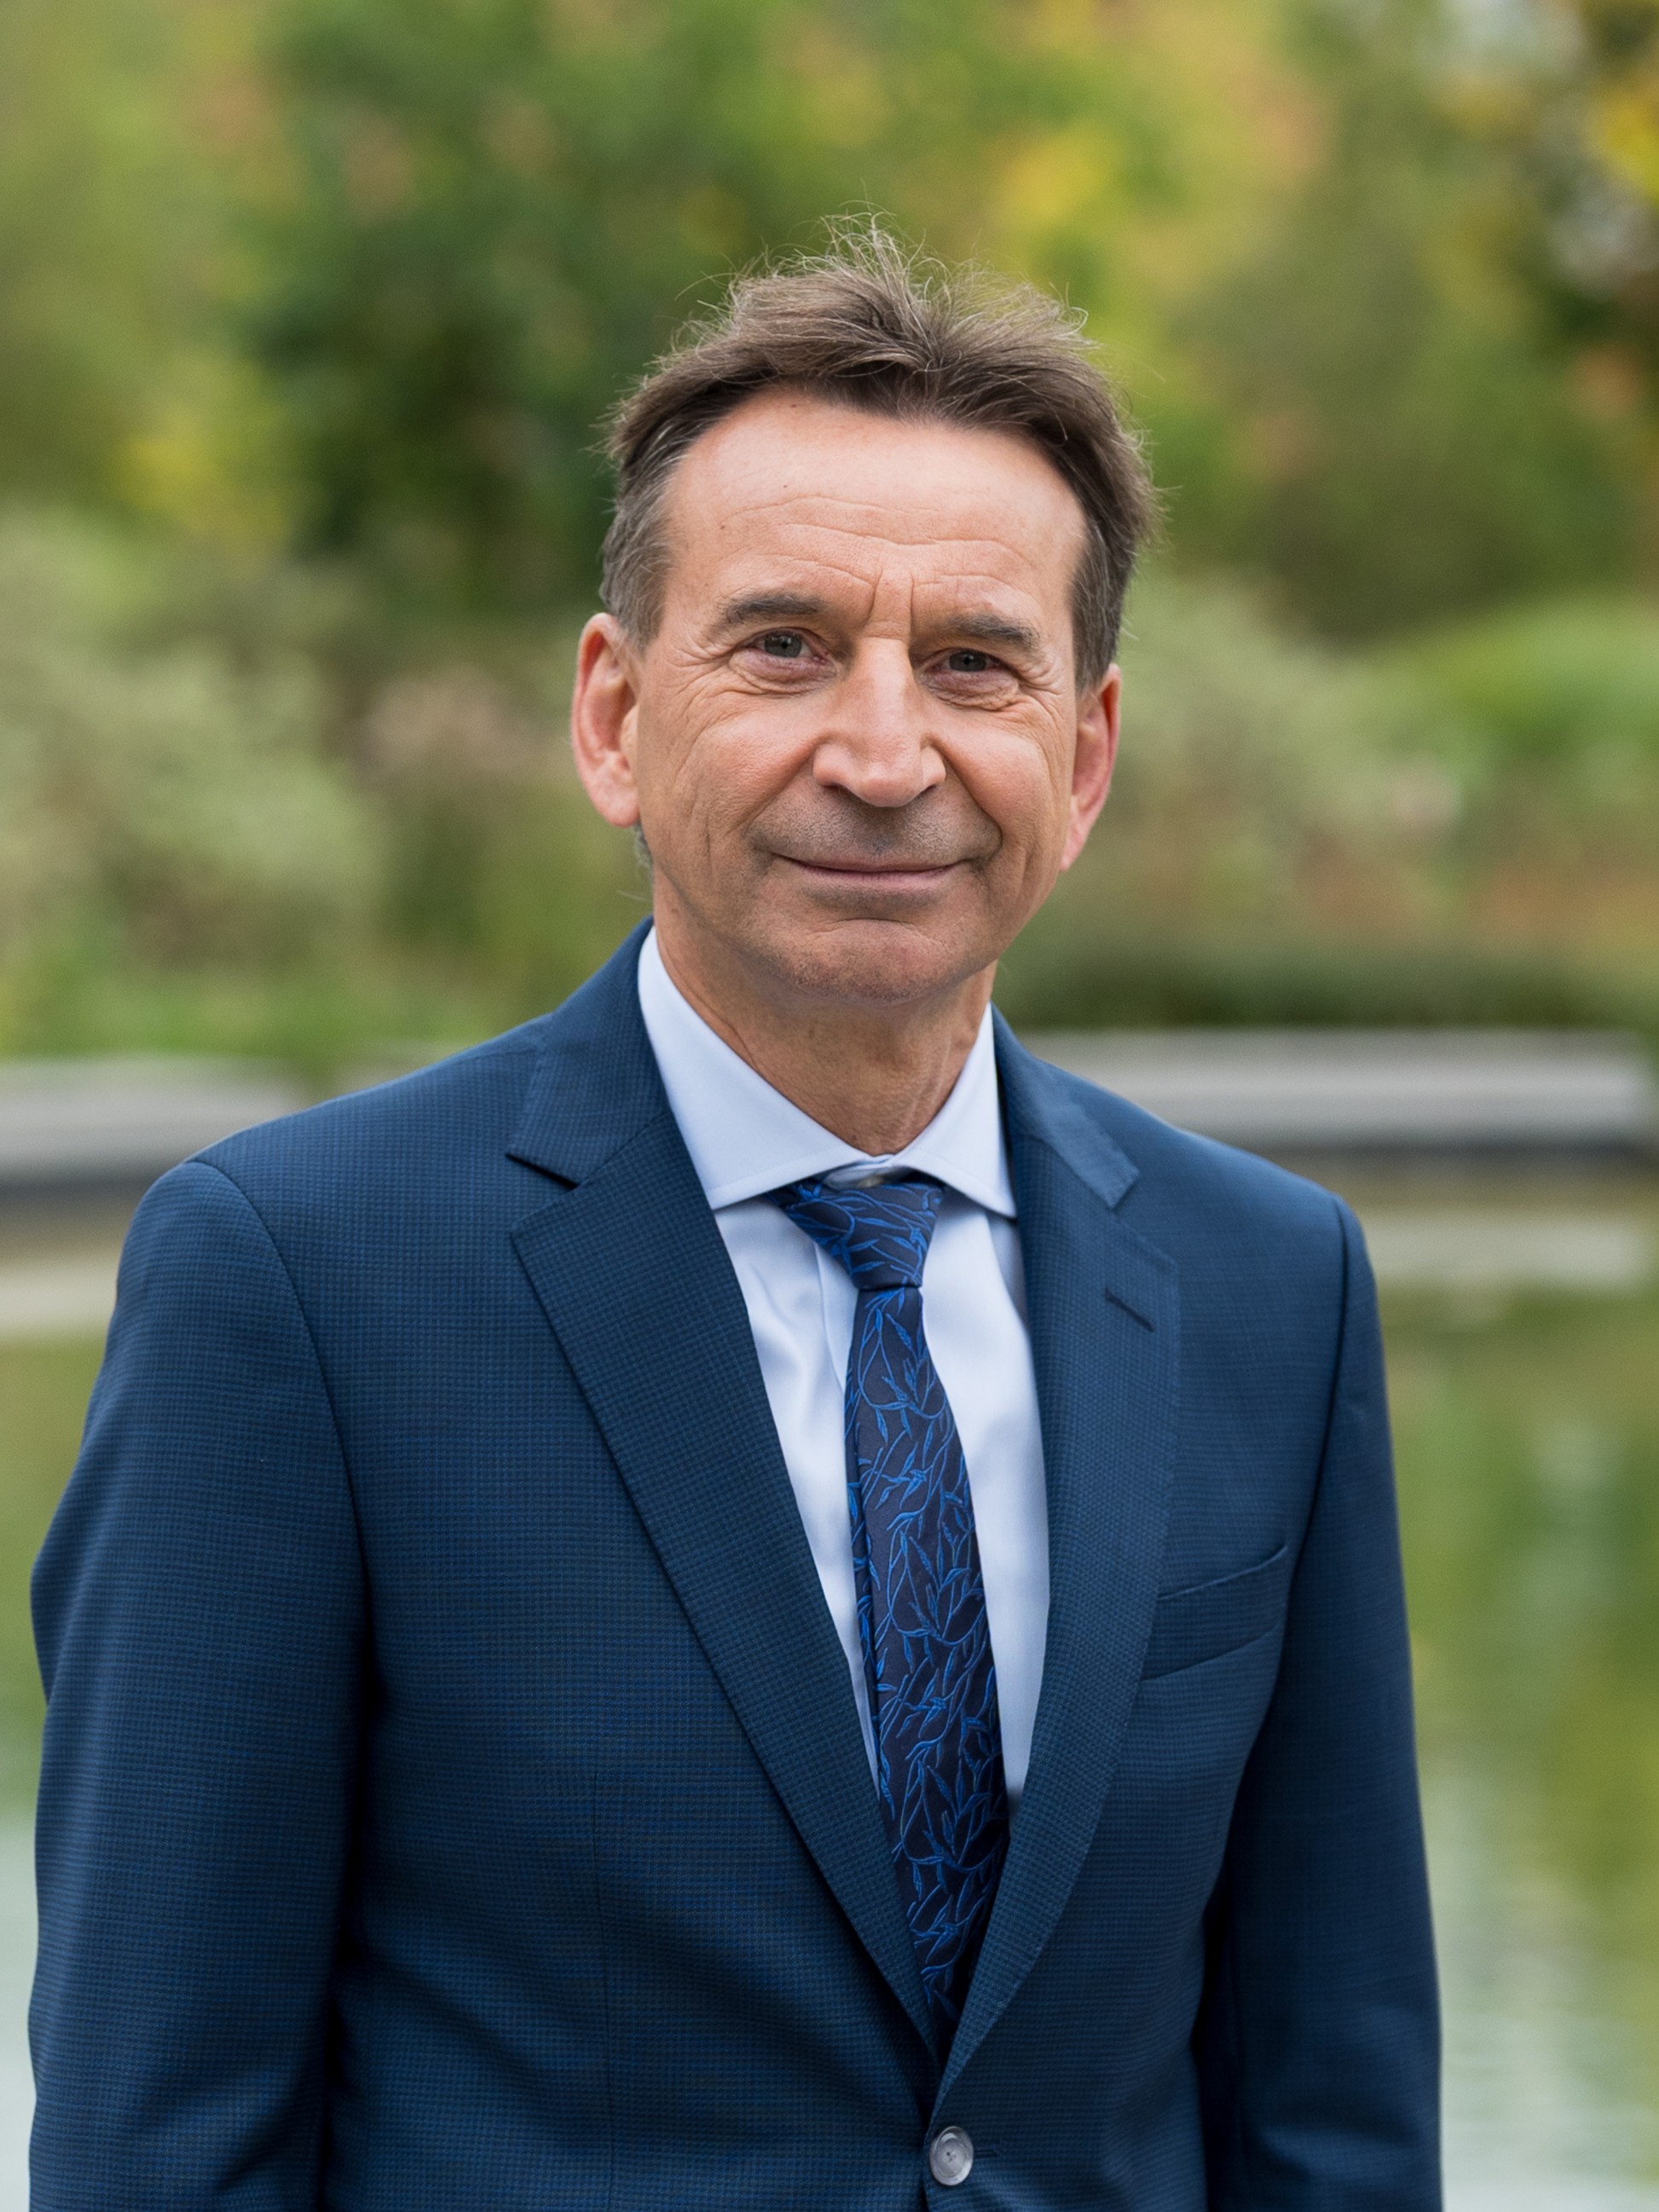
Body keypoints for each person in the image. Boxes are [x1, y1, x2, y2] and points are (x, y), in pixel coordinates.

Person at [30, 232, 1440, 2209]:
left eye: (973, 664)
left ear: (1084, 756)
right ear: (613, 716)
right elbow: (159, 2134)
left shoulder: (1268, 1284)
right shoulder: (295, 1282)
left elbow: (1332, 2103)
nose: (883, 753)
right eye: (783, 646)